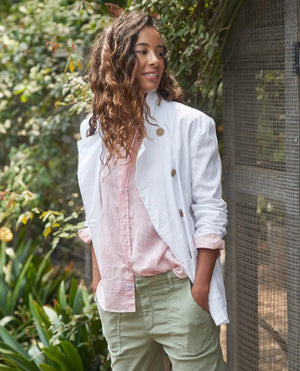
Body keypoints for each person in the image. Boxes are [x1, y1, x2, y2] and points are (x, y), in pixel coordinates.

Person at [77, 11, 228, 371]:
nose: (155, 60)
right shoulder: (93, 129)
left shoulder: (191, 125)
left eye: (159, 52)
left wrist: (200, 291)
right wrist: (100, 282)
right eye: (142, 51)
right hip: (119, 297)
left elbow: (210, 210)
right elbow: (96, 213)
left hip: (177, 290)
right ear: (117, 57)